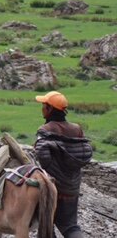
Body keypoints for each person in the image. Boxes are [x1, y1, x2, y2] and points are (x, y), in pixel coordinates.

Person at [35, 91, 93, 238]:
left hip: (51, 188)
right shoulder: (77, 129)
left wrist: (50, 170)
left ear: (49, 109)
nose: (42, 109)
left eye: (44, 106)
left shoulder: (45, 130)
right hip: (72, 187)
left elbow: (42, 155)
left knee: (47, 228)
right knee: (71, 227)